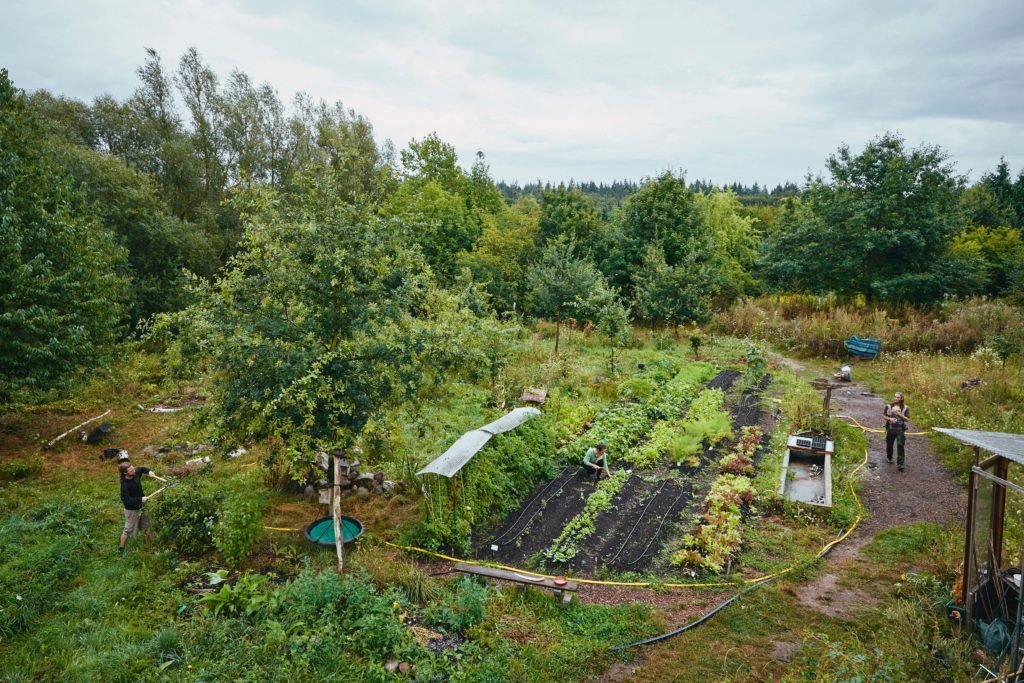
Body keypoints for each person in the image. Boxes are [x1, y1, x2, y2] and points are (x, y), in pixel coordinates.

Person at [119, 461, 159, 553]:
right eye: (131, 470)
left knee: (146, 526)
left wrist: (149, 471)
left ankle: (153, 545)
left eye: (133, 468)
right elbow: (127, 501)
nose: (134, 471)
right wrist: (140, 499)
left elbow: (141, 469)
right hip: (131, 510)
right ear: (125, 473)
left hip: (142, 506)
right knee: (128, 530)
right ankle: (121, 548)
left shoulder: (135, 473)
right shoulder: (125, 485)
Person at [883, 392, 910, 471]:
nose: (896, 398)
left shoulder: (905, 408)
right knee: (889, 445)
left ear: (901, 398)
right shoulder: (889, 406)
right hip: (890, 429)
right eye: (895, 397)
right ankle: (889, 457)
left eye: (898, 397)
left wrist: (900, 414)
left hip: (900, 430)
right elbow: (884, 416)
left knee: (900, 446)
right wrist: (890, 419)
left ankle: (900, 464)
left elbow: (907, 419)